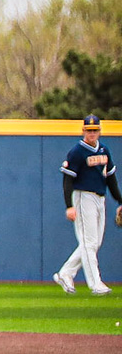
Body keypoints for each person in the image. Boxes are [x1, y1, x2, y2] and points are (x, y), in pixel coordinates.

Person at [55, 114, 121, 296]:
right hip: (83, 197)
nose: (92, 133)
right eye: (89, 130)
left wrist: (120, 201)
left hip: (100, 198)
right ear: (83, 131)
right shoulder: (77, 152)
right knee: (89, 243)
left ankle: (65, 273)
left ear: (100, 131)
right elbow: (67, 180)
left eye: (95, 130)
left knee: (93, 243)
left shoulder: (104, 150)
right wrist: (69, 206)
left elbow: (111, 179)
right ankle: (96, 284)